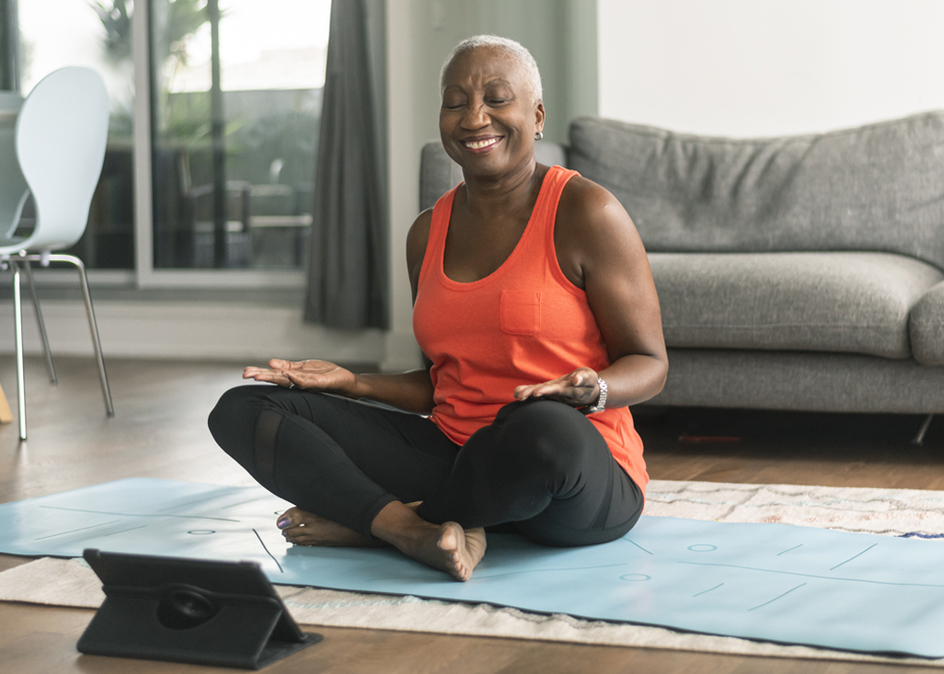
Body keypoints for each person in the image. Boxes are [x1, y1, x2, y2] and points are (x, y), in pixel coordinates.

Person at [208, 35, 667, 582]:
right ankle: (411, 530)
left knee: (542, 426)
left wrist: (596, 391)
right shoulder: (427, 231)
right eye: (456, 102)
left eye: (497, 99)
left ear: (537, 115)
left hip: (573, 477)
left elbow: (650, 362)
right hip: (454, 455)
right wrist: (352, 383)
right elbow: (440, 383)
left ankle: (375, 523)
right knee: (242, 410)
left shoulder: (588, 211)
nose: (475, 117)